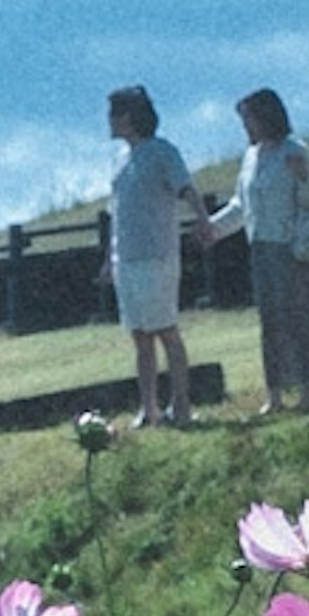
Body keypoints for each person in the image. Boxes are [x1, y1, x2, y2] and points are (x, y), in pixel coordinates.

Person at [223, 84, 309, 413]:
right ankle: (275, 393)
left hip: (291, 247)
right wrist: (213, 228)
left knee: (299, 318)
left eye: (250, 119)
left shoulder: (294, 150)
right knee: (271, 321)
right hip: (261, 248)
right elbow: (241, 204)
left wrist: (304, 177)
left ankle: (307, 389)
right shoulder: (251, 158)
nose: (246, 128)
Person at [101, 84, 210, 431]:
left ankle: (182, 404)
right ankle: (149, 408)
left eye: (114, 114)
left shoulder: (162, 152)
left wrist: (203, 219)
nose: (109, 122)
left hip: (156, 256)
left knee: (166, 330)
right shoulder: (120, 161)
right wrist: (109, 258)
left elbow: (185, 188)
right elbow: (117, 213)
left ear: (129, 117)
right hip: (127, 258)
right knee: (139, 335)